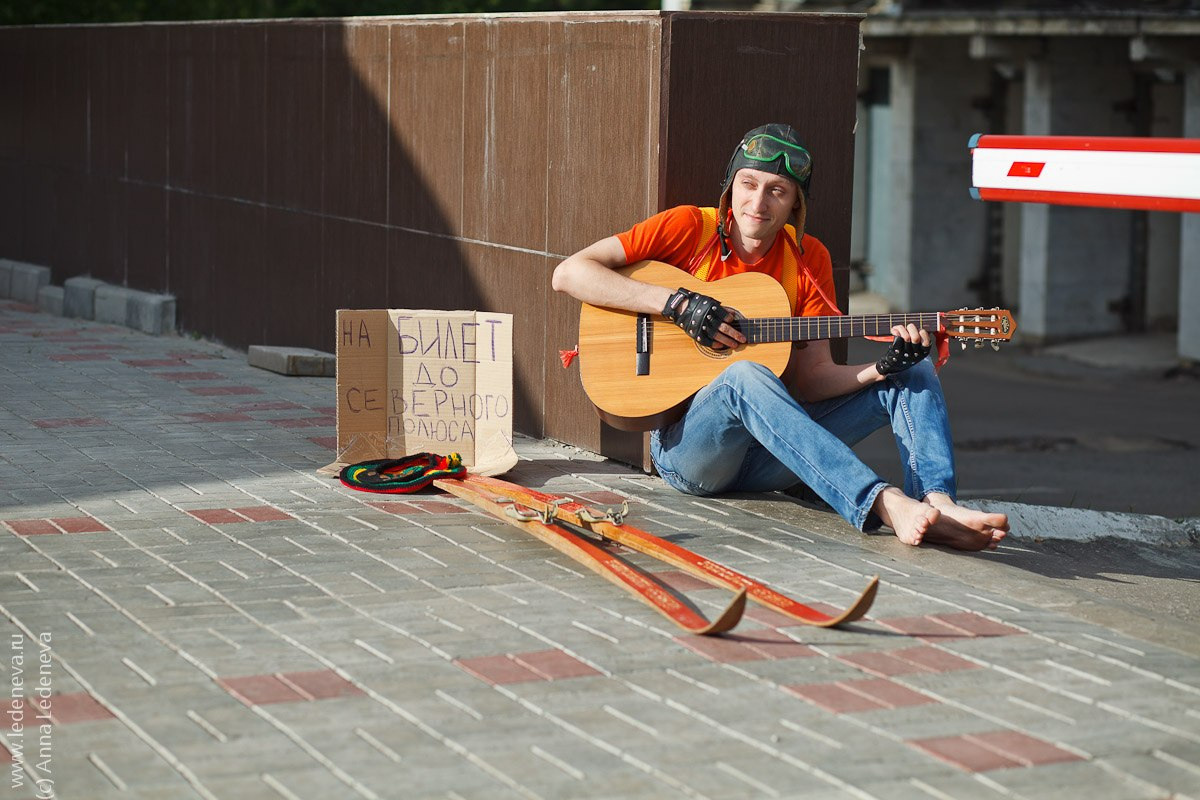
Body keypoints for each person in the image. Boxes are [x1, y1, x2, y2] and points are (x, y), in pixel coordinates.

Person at [551, 123, 1009, 551]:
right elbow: (569, 273)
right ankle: (881, 502)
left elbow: (813, 380)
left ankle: (937, 501)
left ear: (796, 205)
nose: (758, 202)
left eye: (778, 191)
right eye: (749, 184)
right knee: (744, 374)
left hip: (770, 457)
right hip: (689, 454)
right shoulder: (688, 227)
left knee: (915, 371)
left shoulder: (807, 258)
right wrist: (676, 304)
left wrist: (881, 368)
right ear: (730, 188)